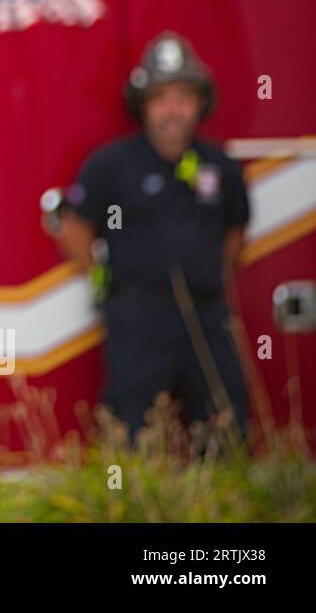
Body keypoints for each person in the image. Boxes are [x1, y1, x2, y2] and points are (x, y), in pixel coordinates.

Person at [53, 32, 251, 439]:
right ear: (143, 106)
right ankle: (131, 501)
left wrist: (208, 275)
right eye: (161, 98)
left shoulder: (222, 168)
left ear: (200, 103)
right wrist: (105, 279)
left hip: (207, 316)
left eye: (183, 97)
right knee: (131, 429)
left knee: (226, 426)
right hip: (138, 317)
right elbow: (74, 227)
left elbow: (235, 233)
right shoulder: (112, 164)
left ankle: (218, 501)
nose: (172, 109)